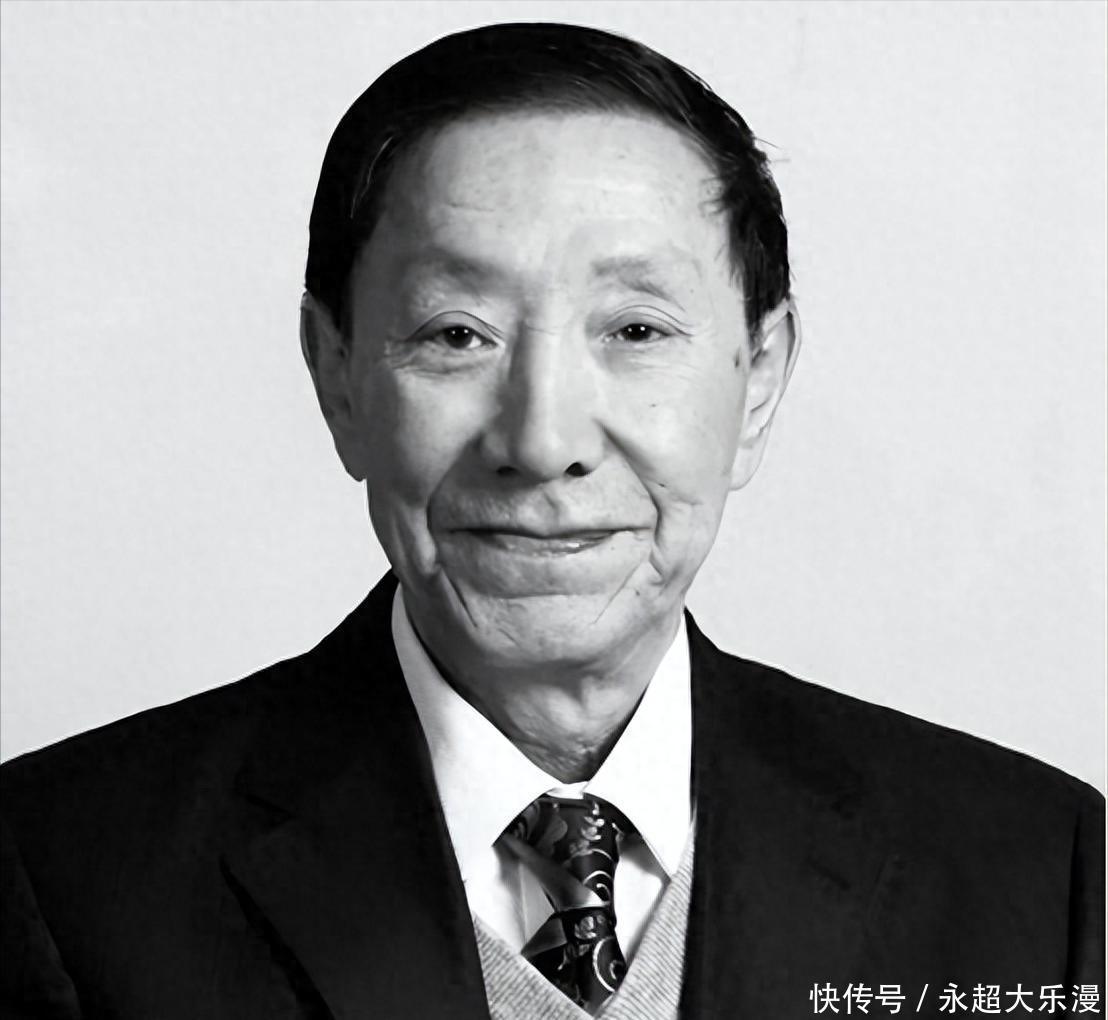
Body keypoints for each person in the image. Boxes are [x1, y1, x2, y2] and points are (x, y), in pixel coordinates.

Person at [1, 22, 1102, 1020]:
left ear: (759, 378)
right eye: (456, 334)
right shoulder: (58, 872)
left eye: (635, 329)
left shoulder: (1035, 869)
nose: (542, 439)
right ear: (336, 376)